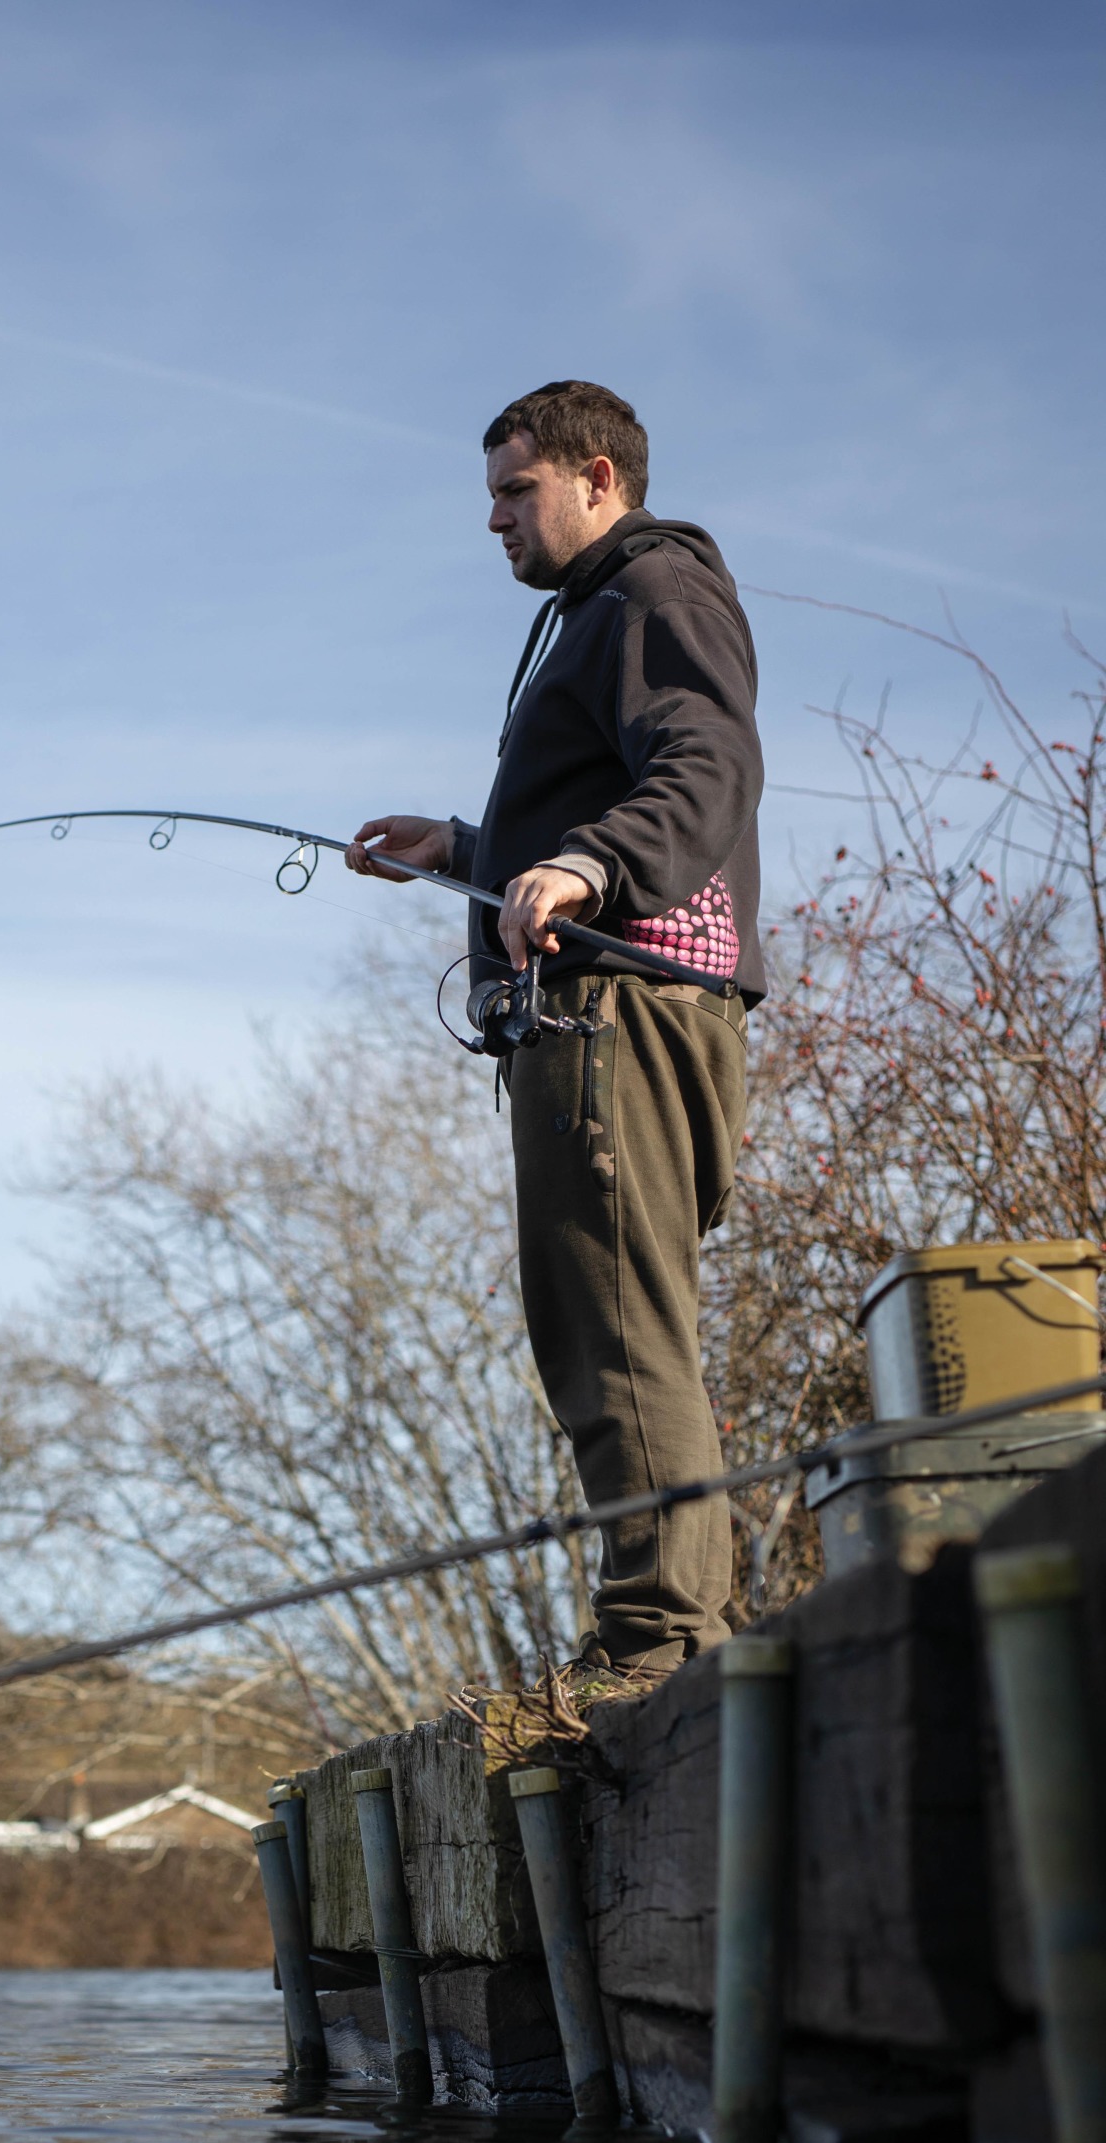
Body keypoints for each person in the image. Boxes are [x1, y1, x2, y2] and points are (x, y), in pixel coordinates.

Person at [346, 379, 763, 1677]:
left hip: (620, 1015)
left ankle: (660, 1640)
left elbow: (705, 764)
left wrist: (585, 866)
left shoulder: (653, 593)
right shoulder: (600, 616)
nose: (496, 521)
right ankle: (672, 1619)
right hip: (607, 1013)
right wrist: (472, 852)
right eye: (490, 498)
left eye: (515, 491)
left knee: (618, 1333)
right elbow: (616, 799)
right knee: (604, 1325)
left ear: (599, 478)